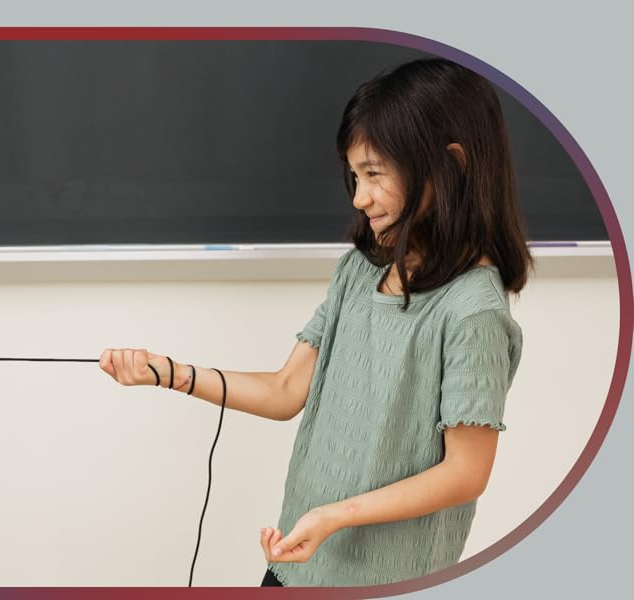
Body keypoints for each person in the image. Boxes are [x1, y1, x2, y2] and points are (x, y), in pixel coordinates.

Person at [100, 58, 530, 586]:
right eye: (355, 176)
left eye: (374, 174)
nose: (359, 196)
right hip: (298, 564)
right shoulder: (358, 272)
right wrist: (166, 372)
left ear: (451, 166)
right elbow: (285, 390)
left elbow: (466, 473)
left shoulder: (473, 310)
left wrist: (335, 516)